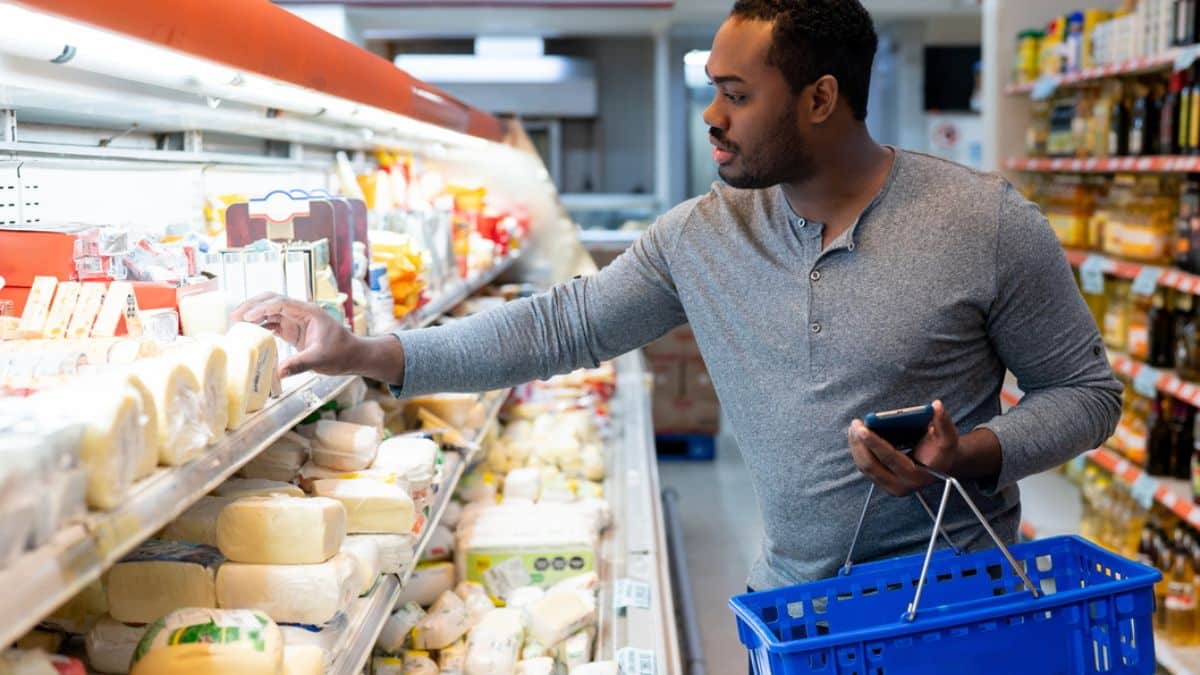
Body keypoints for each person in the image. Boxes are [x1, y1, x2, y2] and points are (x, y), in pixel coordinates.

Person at [234, 0, 1121, 593]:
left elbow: (1088, 395)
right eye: (712, 94)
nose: (713, 117)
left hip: (963, 591)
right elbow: (562, 325)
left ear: (821, 98)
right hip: (797, 602)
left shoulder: (984, 223)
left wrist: (973, 450)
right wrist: (365, 351)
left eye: (737, 95)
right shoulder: (705, 234)